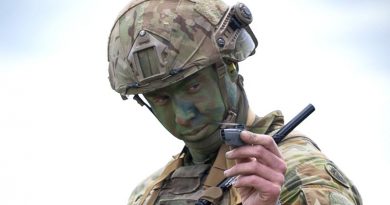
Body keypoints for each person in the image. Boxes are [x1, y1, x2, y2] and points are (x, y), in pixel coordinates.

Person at [107, 0, 362, 204]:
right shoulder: (147, 194)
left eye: (193, 86)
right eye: (160, 98)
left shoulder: (300, 176)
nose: (183, 115)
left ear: (229, 68)